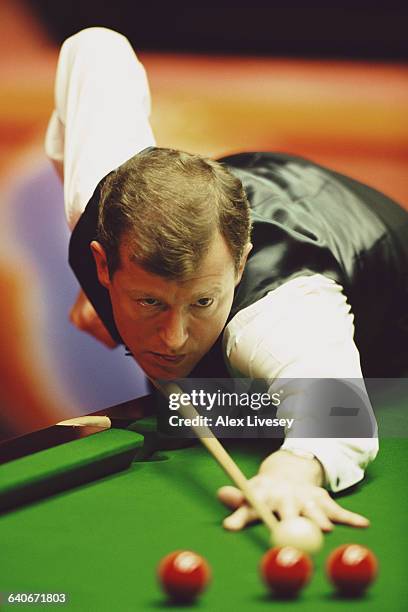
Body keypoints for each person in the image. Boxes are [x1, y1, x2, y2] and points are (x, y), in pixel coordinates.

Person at [45, 27, 408, 533]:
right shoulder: (100, 202)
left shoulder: (283, 311)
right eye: (149, 301)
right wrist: (95, 291)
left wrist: (292, 470)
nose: (173, 340)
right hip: (253, 183)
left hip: (392, 317)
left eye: (201, 302)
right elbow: (95, 47)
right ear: (103, 263)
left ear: (240, 265)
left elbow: (337, 415)